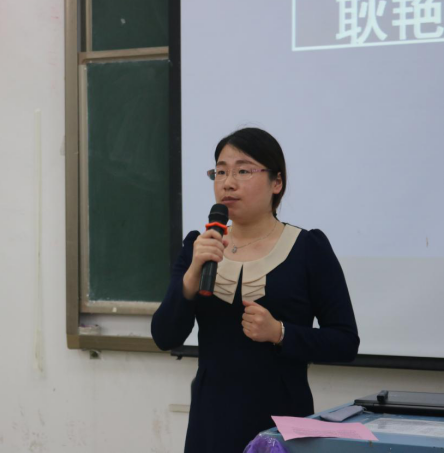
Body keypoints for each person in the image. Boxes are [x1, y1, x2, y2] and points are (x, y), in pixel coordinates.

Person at [151, 127, 359, 453]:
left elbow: (345, 342)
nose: (228, 183)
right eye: (220, 172)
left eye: (243, 171)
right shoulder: (198, 246)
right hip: (210, 427)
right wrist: (190, 277)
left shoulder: (308, 249)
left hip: (279, 429)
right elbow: (165, 336)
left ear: (277, 183)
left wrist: (281, 333)